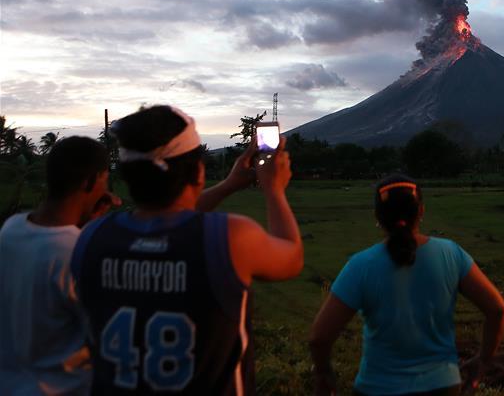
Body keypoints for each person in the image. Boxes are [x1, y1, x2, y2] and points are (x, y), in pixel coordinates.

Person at [71, 105, 303, 394]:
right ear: (198, 171)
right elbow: (292, 257)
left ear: (128, 176)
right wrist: (274, 189)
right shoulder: (231, 237)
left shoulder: (92, 238)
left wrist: (228, 185)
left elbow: (166, 221)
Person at [309, 175, 504, 396]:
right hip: (443, 386)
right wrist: (483, 359)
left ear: (378, 217)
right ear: (421, 211)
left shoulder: (360, 265)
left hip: (376, 389)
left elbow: (319, 337)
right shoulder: (451, 253)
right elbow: (497, 309)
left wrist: (323, 373)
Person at [0, 136, 118, 395]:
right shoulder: (82, 254)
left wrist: (87, 218)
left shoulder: (10, 230)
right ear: (91, 181)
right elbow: (108, 342)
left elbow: (50, 244)